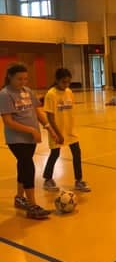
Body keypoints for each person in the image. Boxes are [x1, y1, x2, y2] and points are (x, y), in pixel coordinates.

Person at [0, 63, 57, 219]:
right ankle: (32, 205)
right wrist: (32, 130)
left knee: (23, 164)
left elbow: (37, 112)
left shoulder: (28, 91)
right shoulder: (5, 94)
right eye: (19, 79)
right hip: (17, 139)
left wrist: (49, 129)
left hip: (31, 139)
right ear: (10, 77)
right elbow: (8, 122)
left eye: (25, 79)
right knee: (28, 166)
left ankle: (19, 197)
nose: (23, 82)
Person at [42, 68, 91, 192]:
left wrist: (71, 128)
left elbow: (70, 111)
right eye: (64, 82)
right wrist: (58, 133)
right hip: (57, 130)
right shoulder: (51, 94)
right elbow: (50, 117)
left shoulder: (69, 92)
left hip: (70, 130)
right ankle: (47, 179)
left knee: (77, 153)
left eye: (68, 82)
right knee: (55, 154)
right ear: (57, 80)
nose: (66, 85)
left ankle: (79, 181)